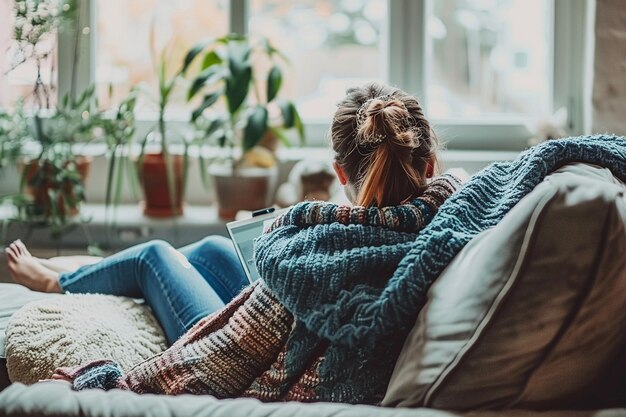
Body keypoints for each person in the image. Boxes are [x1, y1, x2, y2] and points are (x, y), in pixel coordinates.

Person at [4, 82, 462, 402]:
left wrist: (110, 385)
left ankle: (57, 281)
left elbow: (209, 363)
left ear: (341, 173)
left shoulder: (321, 244)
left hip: (255, 345)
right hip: (277, 313)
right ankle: (86, 272)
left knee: (155, 255)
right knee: (212, 251)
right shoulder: (451, 214)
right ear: (430, 165)